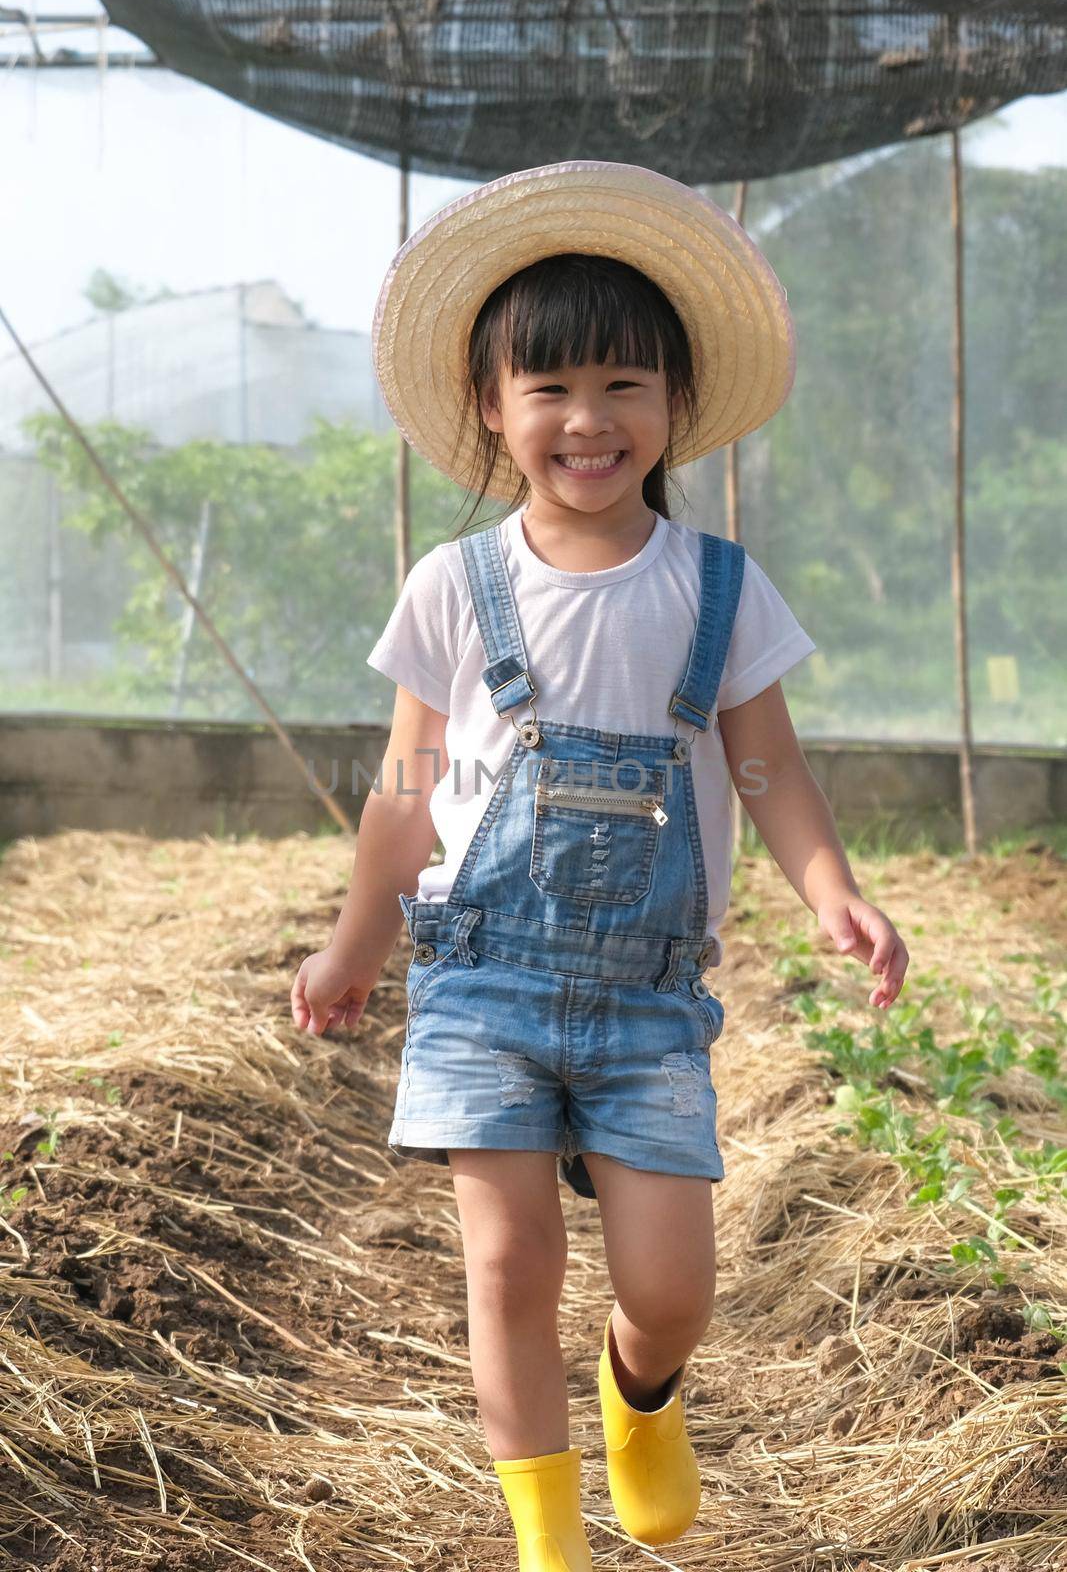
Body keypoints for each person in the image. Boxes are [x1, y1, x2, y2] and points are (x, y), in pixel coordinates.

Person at [291, 161, 908, 1570]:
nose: (588, 418)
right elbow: (406, 787)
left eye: (625, 384)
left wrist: (835, 892)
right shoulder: (455, 587)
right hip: (483, 980)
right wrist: (350, 949)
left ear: (675, 406)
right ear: (495, 414)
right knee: (508, 1263)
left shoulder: (718, 588)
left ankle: (644, 1396)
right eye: (550, 387)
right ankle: (548, 1539)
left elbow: (771, 771)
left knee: (669, 1282)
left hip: (646, 996)